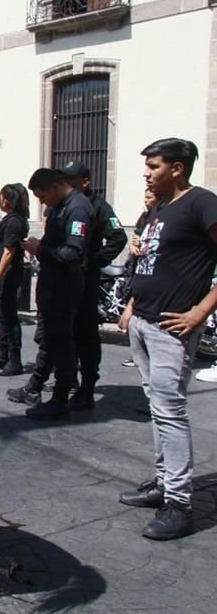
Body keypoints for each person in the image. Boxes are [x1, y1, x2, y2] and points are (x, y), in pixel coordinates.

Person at [118, 138, 217, 540]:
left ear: (177, 168)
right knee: (158, 410)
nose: (146, 173)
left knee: (171, 412)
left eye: (154, 166)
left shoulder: (201, 204)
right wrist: (131, 305)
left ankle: (179, 503)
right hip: (143, 321)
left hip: (172, 329)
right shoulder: (159, 209)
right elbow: (154, 261)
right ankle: (163, 483)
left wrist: (200, 311)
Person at [15, 168, 93, 419]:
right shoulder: (62, 206)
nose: (41, 202)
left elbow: (73, 253)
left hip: (64, 286)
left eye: (42, 196)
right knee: (51, 339)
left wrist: (41, 250)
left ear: (54, 187)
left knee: (62, 343)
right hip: (53, 285)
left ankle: (60, 399)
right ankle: (36, 387)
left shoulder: (77, 208)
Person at [61, 161, 128, 409]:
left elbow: (118, 237)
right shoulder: (66, 204)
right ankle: (69, 380)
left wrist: (93, 261)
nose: (68, 185)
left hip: (85, 282)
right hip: (64, 280)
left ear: (85, 182)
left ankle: (87, 385)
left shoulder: (99, 206)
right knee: (66, 333)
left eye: (73, 181)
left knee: (86, 334)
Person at [0, 183, 30, 376]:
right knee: (3, 313)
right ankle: (2, 353)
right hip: (5, 271)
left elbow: (9, 252)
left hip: (10, 272)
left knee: (9, 316)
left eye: (1, 196)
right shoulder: (10, 220)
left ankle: (15, 359)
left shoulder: (14, 222)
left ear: (6, 200)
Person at [121, 187, 159, 367]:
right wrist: (134, 246)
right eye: (145, 197)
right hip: (137, 266)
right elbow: (135, 237)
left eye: (150, 197)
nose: (146, 200)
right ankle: (137, 352)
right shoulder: (144, 218)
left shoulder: (161, 216)